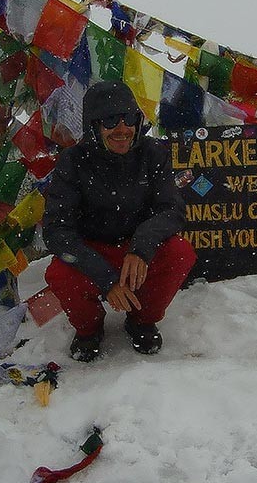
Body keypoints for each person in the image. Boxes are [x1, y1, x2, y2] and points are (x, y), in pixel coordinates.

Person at [42, 80, 197, 362]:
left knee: (180, 253)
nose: (122, 129)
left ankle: (142, 320)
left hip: (135, 249)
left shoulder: (153, 154)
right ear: (93, 125)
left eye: (130, 119)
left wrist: (141, 247)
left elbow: (172, 209)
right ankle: (89, 330)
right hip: (92, 251)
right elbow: (56, 230)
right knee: (60, 273)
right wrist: (105, 277)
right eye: (111, 120)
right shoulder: (72, 161)